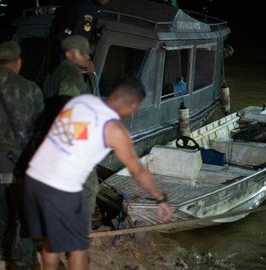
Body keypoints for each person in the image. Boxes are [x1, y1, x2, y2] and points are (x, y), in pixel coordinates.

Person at [24, 78, 175, 270]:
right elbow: (137, 170)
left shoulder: (80, 101)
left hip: (34, 177)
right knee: (78, 248)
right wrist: (160, 198)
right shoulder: (114, 129)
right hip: (61, 189)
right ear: (132, 104)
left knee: (51, 242)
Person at [0, 40, 44, 268]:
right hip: (19, 159)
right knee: (21, 209)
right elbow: (38, 120)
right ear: (18, 62)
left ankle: (1, 250)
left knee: (0, 206)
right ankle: (21, 257)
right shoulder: (31, 89)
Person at [41, 34, 100, 232]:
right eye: (83, 53)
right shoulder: (71, 77)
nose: (87, 57)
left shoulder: (53, 74)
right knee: (89, 188)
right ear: (70, 54)